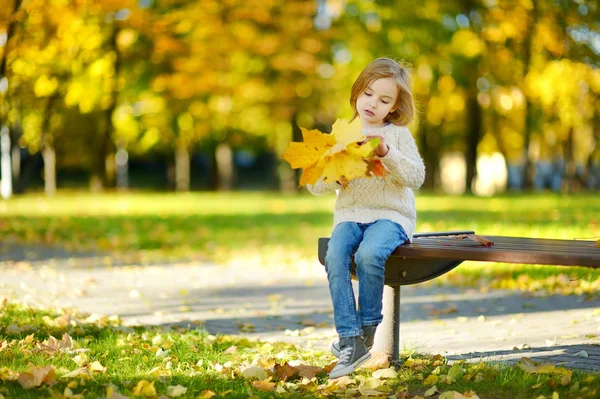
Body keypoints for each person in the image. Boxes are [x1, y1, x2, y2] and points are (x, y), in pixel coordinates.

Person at [306, 57, 425, 379]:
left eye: (384, 100)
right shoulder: (342, 133)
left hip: (390, 216)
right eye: (369, 94)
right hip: (349, 215)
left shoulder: (397, 135)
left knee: (370, 254)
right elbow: (315, 186)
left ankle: (367, 332)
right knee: (336, 255)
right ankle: (349, 338)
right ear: (357, 92)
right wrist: (336, 175)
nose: (374, 103)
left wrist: (389, 154)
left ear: (395, 107)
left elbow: (416, 177)